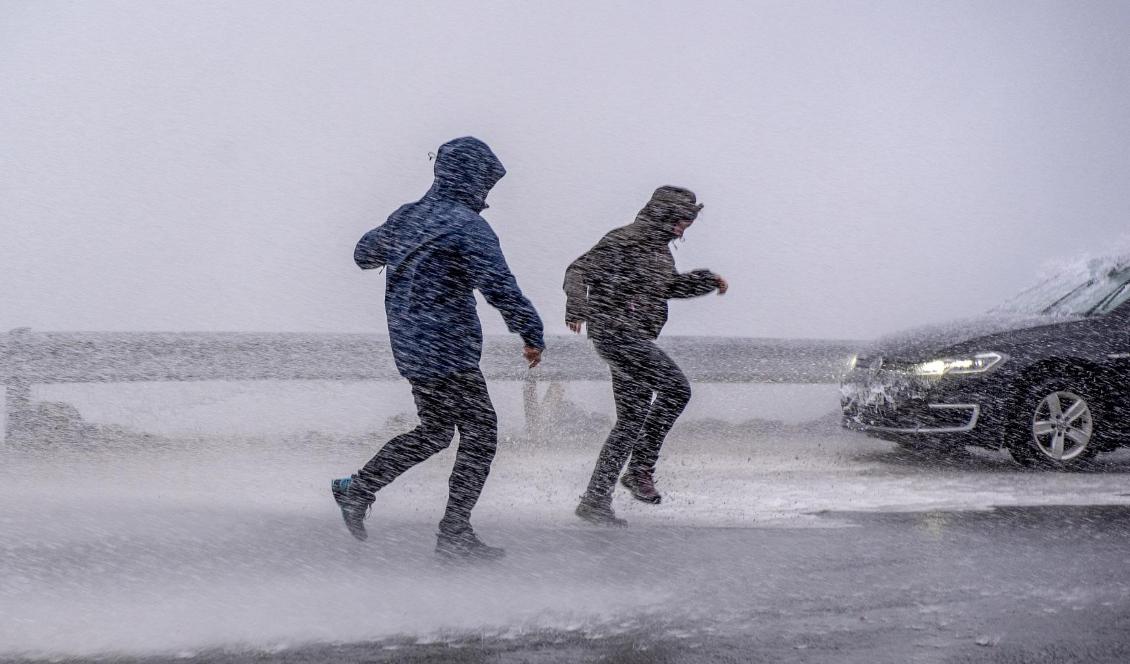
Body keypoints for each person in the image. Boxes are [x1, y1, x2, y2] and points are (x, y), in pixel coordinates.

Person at [332, 136, 544, 561]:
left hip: (411, 346)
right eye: (484, 183)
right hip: (447, 346)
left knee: (435, 431)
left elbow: (363, 254)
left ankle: (358, 488)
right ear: (471, 179)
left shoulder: (407, 216)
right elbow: (499, 286)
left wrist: (403, 240)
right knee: (481, 433)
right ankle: (453, 533)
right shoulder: (468, 226)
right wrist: (530, 331)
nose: (486, 194)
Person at [564, 186, 727, 526]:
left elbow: (666, 287)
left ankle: (595, 500)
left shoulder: (659, 251)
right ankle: (639, 468)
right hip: (617, 334)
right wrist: (577, 308)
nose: (681, 232)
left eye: (686, 226)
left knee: (631, 421)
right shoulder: (625, 240)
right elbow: (577, 270)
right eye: (680, 223)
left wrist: (706, 281)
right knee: (677, 390)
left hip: (633, 337)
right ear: (664, 216)